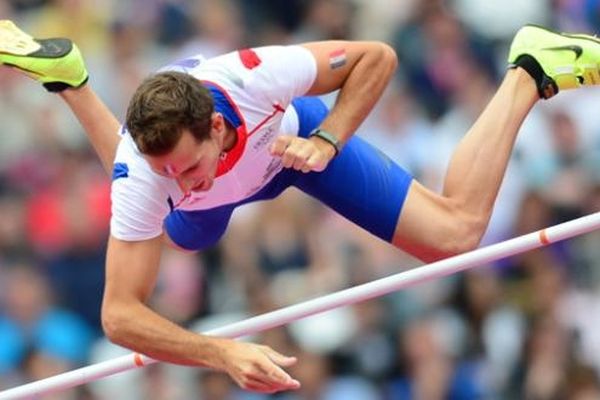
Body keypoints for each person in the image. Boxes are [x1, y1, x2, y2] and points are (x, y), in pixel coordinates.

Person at [1, 19, 600, 393]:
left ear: (216, 125)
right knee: (182, 230)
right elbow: (118, 317)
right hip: (226, 173)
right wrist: (222, 351)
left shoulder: (256, 75)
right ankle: (71, 79)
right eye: (165, 171)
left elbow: (378, 57)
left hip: (297, 146)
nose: (180, 180)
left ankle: (530, 70)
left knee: (456, 234)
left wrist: (328, 138)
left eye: (186, 165)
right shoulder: (147, 178)